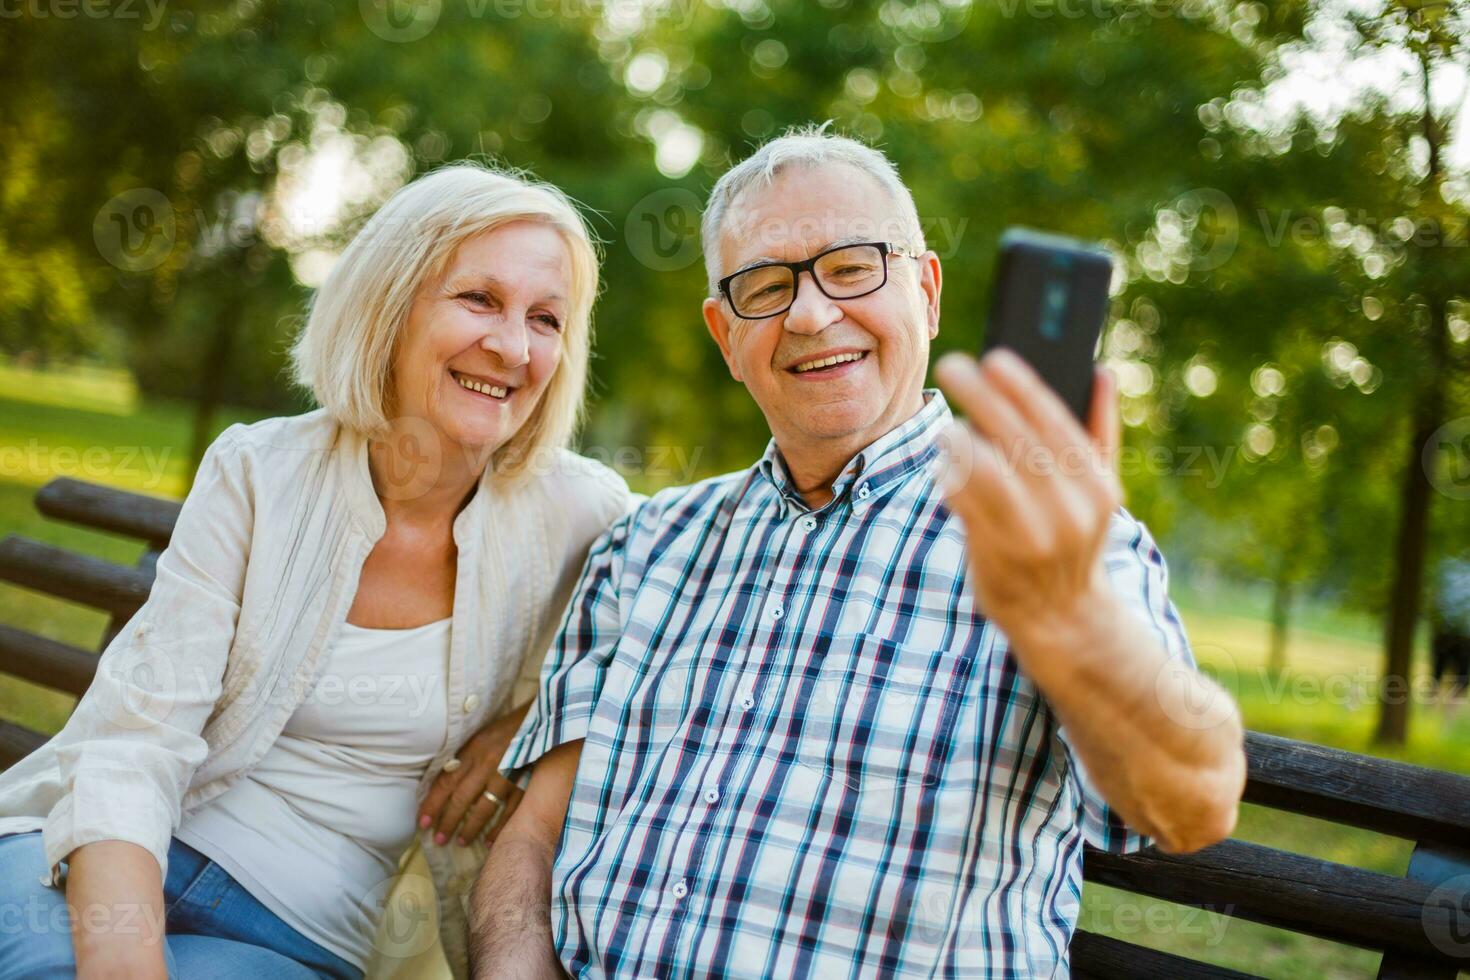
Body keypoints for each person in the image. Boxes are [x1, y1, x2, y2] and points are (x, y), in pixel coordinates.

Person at [470, 127, 1247, 979]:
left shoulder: (1054, 539)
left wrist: (1067, 614)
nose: (810, 314)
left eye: (851, 269)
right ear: (725, 336)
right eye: (765, 287)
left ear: (927, 292)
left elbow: (1190, 805)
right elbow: (534, 835)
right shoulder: (647, 544)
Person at [0, 162, 630, 979]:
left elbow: (678, 641)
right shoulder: (260, 471)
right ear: (391, 305)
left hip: (296, 932)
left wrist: (533, 725)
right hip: (109, 858)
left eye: (545, 318)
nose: (512, 346)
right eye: (478, 299)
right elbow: (134, 745)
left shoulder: (582, 514)